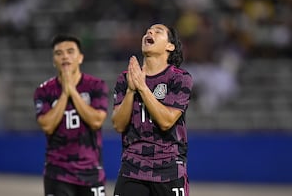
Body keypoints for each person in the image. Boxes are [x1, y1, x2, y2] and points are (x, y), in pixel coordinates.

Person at [112, 24, 193, 196]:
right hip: (132, 168)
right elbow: (118, 125)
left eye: (158, 31)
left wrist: (142, 87)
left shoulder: (179, 78)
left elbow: (166, 121)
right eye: (148, 30)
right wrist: (130, 90)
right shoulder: (125, 78)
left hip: (169, 169)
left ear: (170, 46)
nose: (149, 32)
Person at [33, 35, 109, 196]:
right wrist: (64, 94)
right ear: (54, 60)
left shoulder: (96, 86)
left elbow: (96, 121)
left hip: (90, 171)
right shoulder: (44, 91)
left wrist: (72, 91)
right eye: (58, 53)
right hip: (57, 173)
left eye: (70, 51)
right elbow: (47, 125)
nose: (65, 56)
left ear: (80, 57)